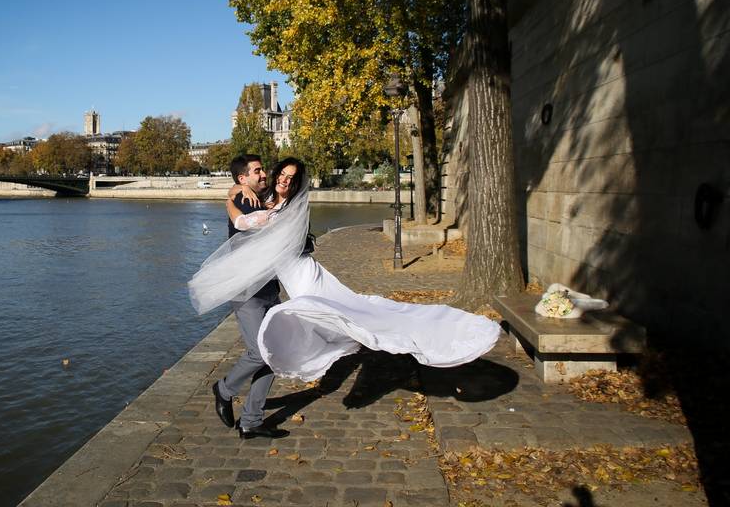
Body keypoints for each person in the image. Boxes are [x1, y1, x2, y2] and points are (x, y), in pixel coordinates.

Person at [189, 157, 501, 385]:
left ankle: (409, 336)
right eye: (281, 174)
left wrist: (243, 207)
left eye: (290, 177)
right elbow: (237, 204)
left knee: (351, 311)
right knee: (334, 316)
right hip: (289, 278)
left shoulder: (292, 207)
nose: (284, 180)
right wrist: (235, 201)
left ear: (296, 182)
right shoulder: (260, 195)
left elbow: (261, 226)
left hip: (302, 274)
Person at [204, 154, 289, 440]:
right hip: (248, 292)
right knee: (258, 351)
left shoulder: (259, 194)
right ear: (243, 179)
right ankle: (224, 389)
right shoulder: (244, 199)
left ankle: (252, 421)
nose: (263, 173)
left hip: (268, 288)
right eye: (257, 171)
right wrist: (231, 196)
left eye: (263, 169)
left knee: (271, 354)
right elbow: (244, 222)